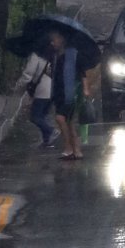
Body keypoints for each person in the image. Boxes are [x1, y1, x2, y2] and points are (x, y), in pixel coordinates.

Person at [49, 30, 88, 160]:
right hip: (59, 92)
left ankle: (69, 147)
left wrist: (85, 89)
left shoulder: (73, 55)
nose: (52, 43)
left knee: (61, 119)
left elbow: (82, 74)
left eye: (54, 40)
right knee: (69, 122)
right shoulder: (54, 55)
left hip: (71, 93)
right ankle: (76, 149)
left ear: (61, 40)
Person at [17, 49, 55, 149]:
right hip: (53, 89)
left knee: (35, 117)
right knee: (43, 115)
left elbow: (28, 74)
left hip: (42, 90)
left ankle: (51, 130)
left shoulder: (37, 55)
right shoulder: (53, 53)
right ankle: (46, 141)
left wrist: (19, 85)